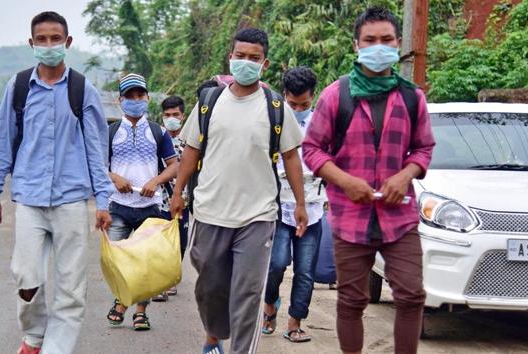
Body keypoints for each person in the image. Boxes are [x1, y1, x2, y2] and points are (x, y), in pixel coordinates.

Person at [302, 7, 435, 354]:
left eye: (386, 40)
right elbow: (312, 149)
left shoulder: (411, 97)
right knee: (351, 300)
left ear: (397, 44)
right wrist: (345, 181)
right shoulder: (336, 95)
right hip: (350, 217)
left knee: (410, 296)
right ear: (356, 45)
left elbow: (424, 149)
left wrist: (405, 175)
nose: (379, 47)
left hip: (400, 216)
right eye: (370, 40)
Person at [0, 11, 113, 354]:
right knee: (25, 276)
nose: (49, 45)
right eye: (42, 39)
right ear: (32, 43)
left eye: (56, 39)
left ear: (67, 43)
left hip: (70, 200)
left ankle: (56, 350)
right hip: (29, 199)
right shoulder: (19, 87)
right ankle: (34, 336)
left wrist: (103, 201)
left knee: (71, 288)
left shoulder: (83, 90)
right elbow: (3, 142)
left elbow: (96, 151)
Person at [171, 28, 308, 354]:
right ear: (230, 57)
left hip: (257, 215)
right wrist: (178, 193)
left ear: (265, 63)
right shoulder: (209, 102)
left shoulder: (276, 106)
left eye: (254, 58)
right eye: (240, 56)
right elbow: (191, 150)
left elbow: (291, 156)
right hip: (209, 211)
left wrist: (300, 203)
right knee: (209, 286)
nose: (246, 62)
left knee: (248, 291)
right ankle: (214, 337)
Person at [106, 73, 179, 327]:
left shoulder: (158, 132)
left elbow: (174, 166)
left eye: (140, 95)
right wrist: (114, 177)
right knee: (118, 259)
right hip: (118, 206)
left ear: (147, 98)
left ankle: (140, 312)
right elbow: (96, 166)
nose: (135, 100)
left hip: (150, 207)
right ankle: (121, 298)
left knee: (145, 261)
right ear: (120, 100)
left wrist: (156, 181)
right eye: (130, 96)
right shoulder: (111, 132)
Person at [261, 66, 326, 343]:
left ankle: (295, 322)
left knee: (305, 270)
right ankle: (270, 303)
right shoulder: (271, 121)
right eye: (292, 103)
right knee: (276, 264)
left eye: (304, 104)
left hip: (311, 207)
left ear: (314, 97)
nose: (298, 108)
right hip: (278, 205)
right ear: (284, 96)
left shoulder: (323, 124)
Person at [158, 95, 189, 298]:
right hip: (160, 200)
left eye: (175, 115)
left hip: (184, 200)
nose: (171, 118)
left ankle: (171, 276)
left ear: (182, 116)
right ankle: (161, 282)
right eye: (167, 115)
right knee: (161, 241)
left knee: (181, 242)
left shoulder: (191, 141)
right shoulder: (157, 138)